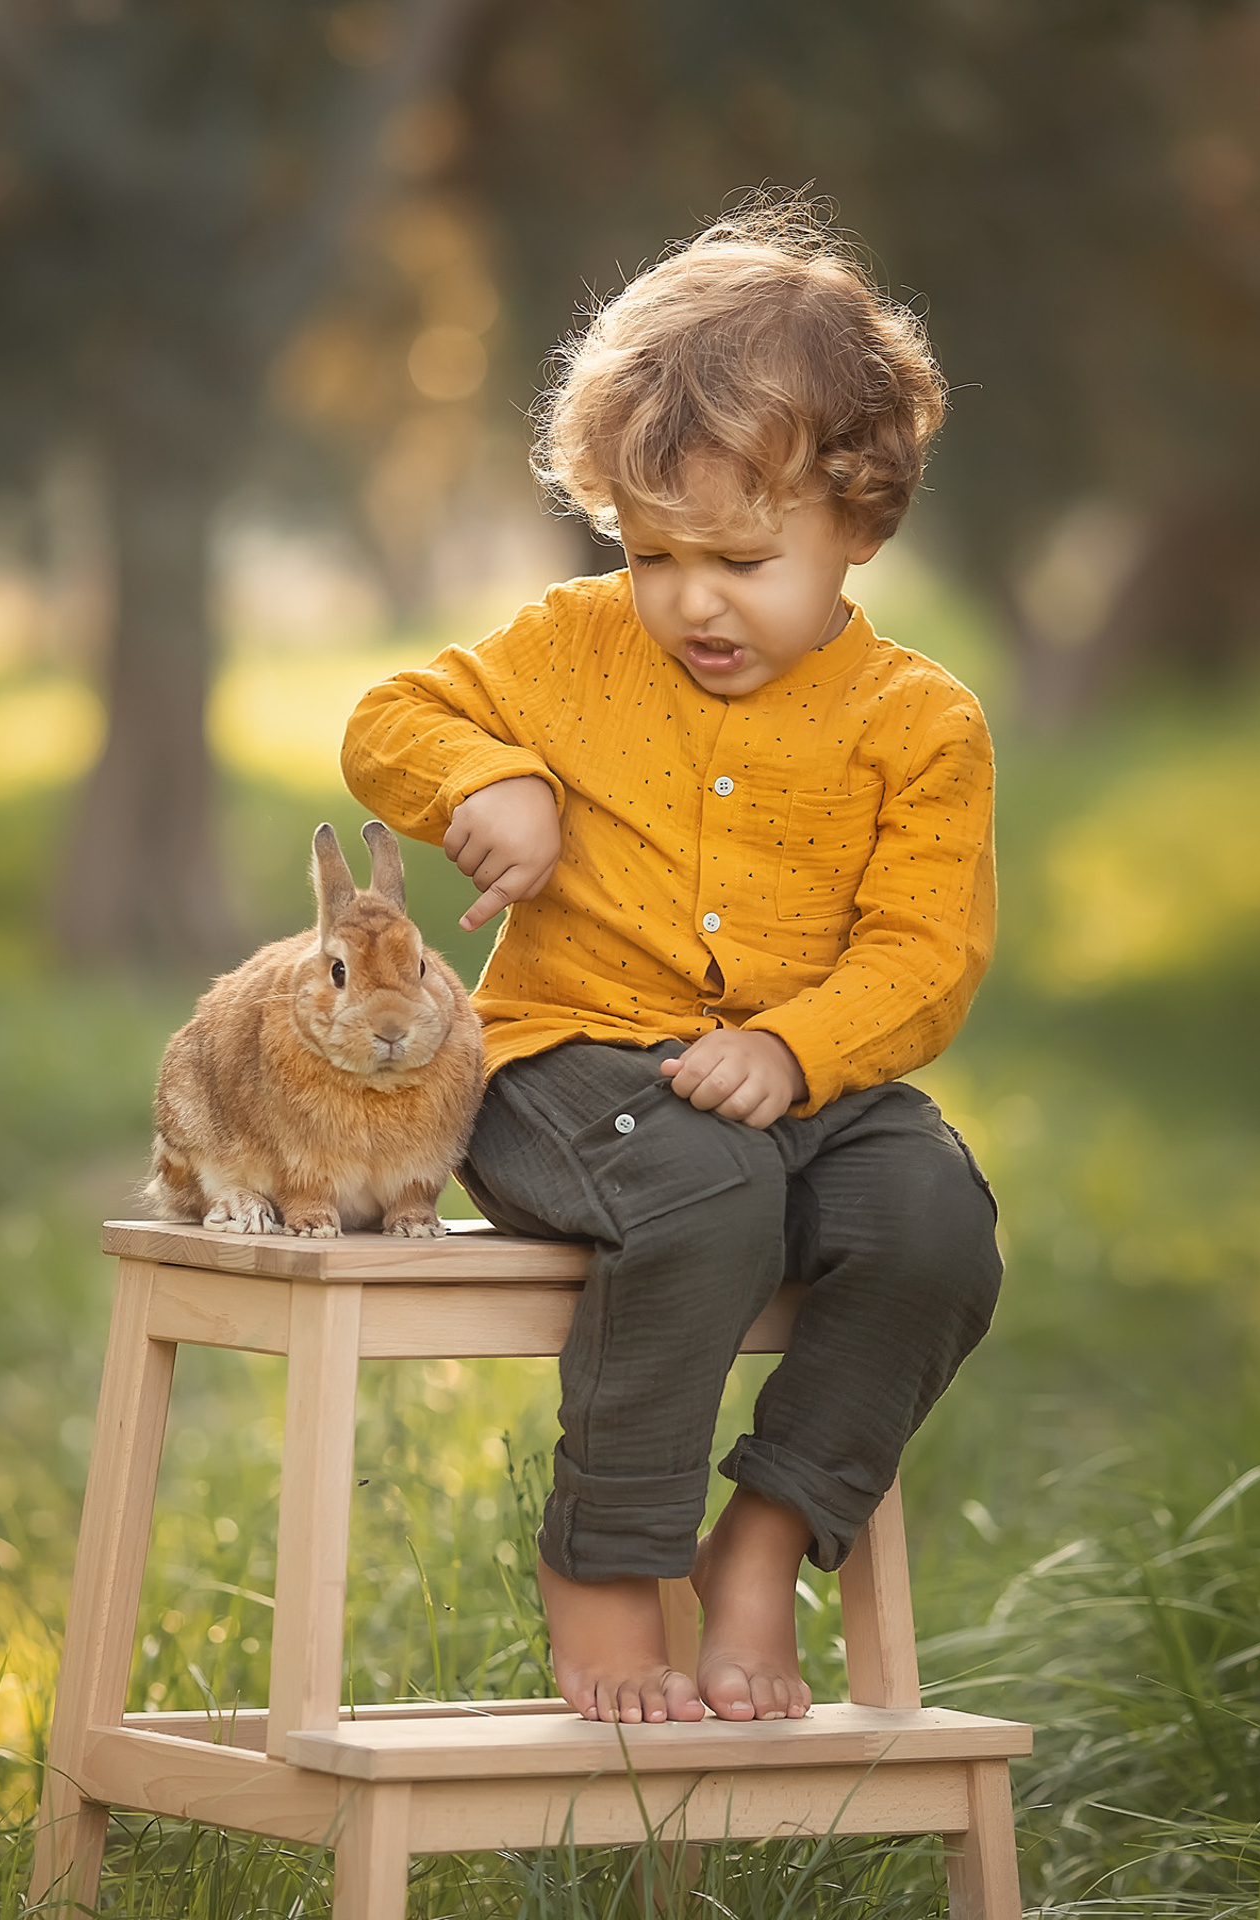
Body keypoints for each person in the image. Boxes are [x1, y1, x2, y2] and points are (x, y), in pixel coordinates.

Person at [340, 202, 1002, 1728]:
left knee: (935, 1219)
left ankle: (765, 1538)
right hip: (567, 1071)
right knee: (708, 1185)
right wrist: (482, 783)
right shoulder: (572, 648)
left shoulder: (920, 723)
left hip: (809, 1083)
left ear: (862, 520)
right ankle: (604, 1566)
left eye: (743, 557)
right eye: (653, 554)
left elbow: (926, 955)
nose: (692, 599)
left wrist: (795, 1051)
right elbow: (391, 718)